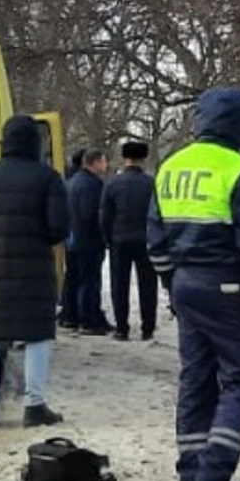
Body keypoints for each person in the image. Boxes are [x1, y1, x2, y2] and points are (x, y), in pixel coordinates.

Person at [148, 88, 240, 481]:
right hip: (227, 286)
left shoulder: (171, 166)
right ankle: (214, 471)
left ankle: (190, 473)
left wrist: (174, 284)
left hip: (185, 285)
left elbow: (155, 241)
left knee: (196, 378)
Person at [0, 116, 71, 429]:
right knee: (37, 336)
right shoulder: (48, 178)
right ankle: (34, 406)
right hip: (35, 269)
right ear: (36, 142)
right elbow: (59, 227)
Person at [101, 139, 158, 341]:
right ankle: (148, 327)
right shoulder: (152, 184)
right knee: (148, 285)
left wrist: (109, 238)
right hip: (146, 240)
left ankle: (122, 328)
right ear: (144, 159)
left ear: (124, 158)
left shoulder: (112, 184)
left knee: (120, 284)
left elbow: (105, 215)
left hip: (120, 239)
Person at [65, 148, 111, 335]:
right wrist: (103, 233)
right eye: (104, 161)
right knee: (90, 281)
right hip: (89, 240)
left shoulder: (71, 182)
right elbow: (91, 214)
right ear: (96, 162)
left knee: (74, 278)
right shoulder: (93, 185)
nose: (106, 165)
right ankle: (88, 319)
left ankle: (71, 315)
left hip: (72, 238)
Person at [58, 146, 86, 329]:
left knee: (71, 276)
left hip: (70, 235)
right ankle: (80, 314)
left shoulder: (67, 180)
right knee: (84, 277)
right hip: (81, 236)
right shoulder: (86, 182)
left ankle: (68, 312)